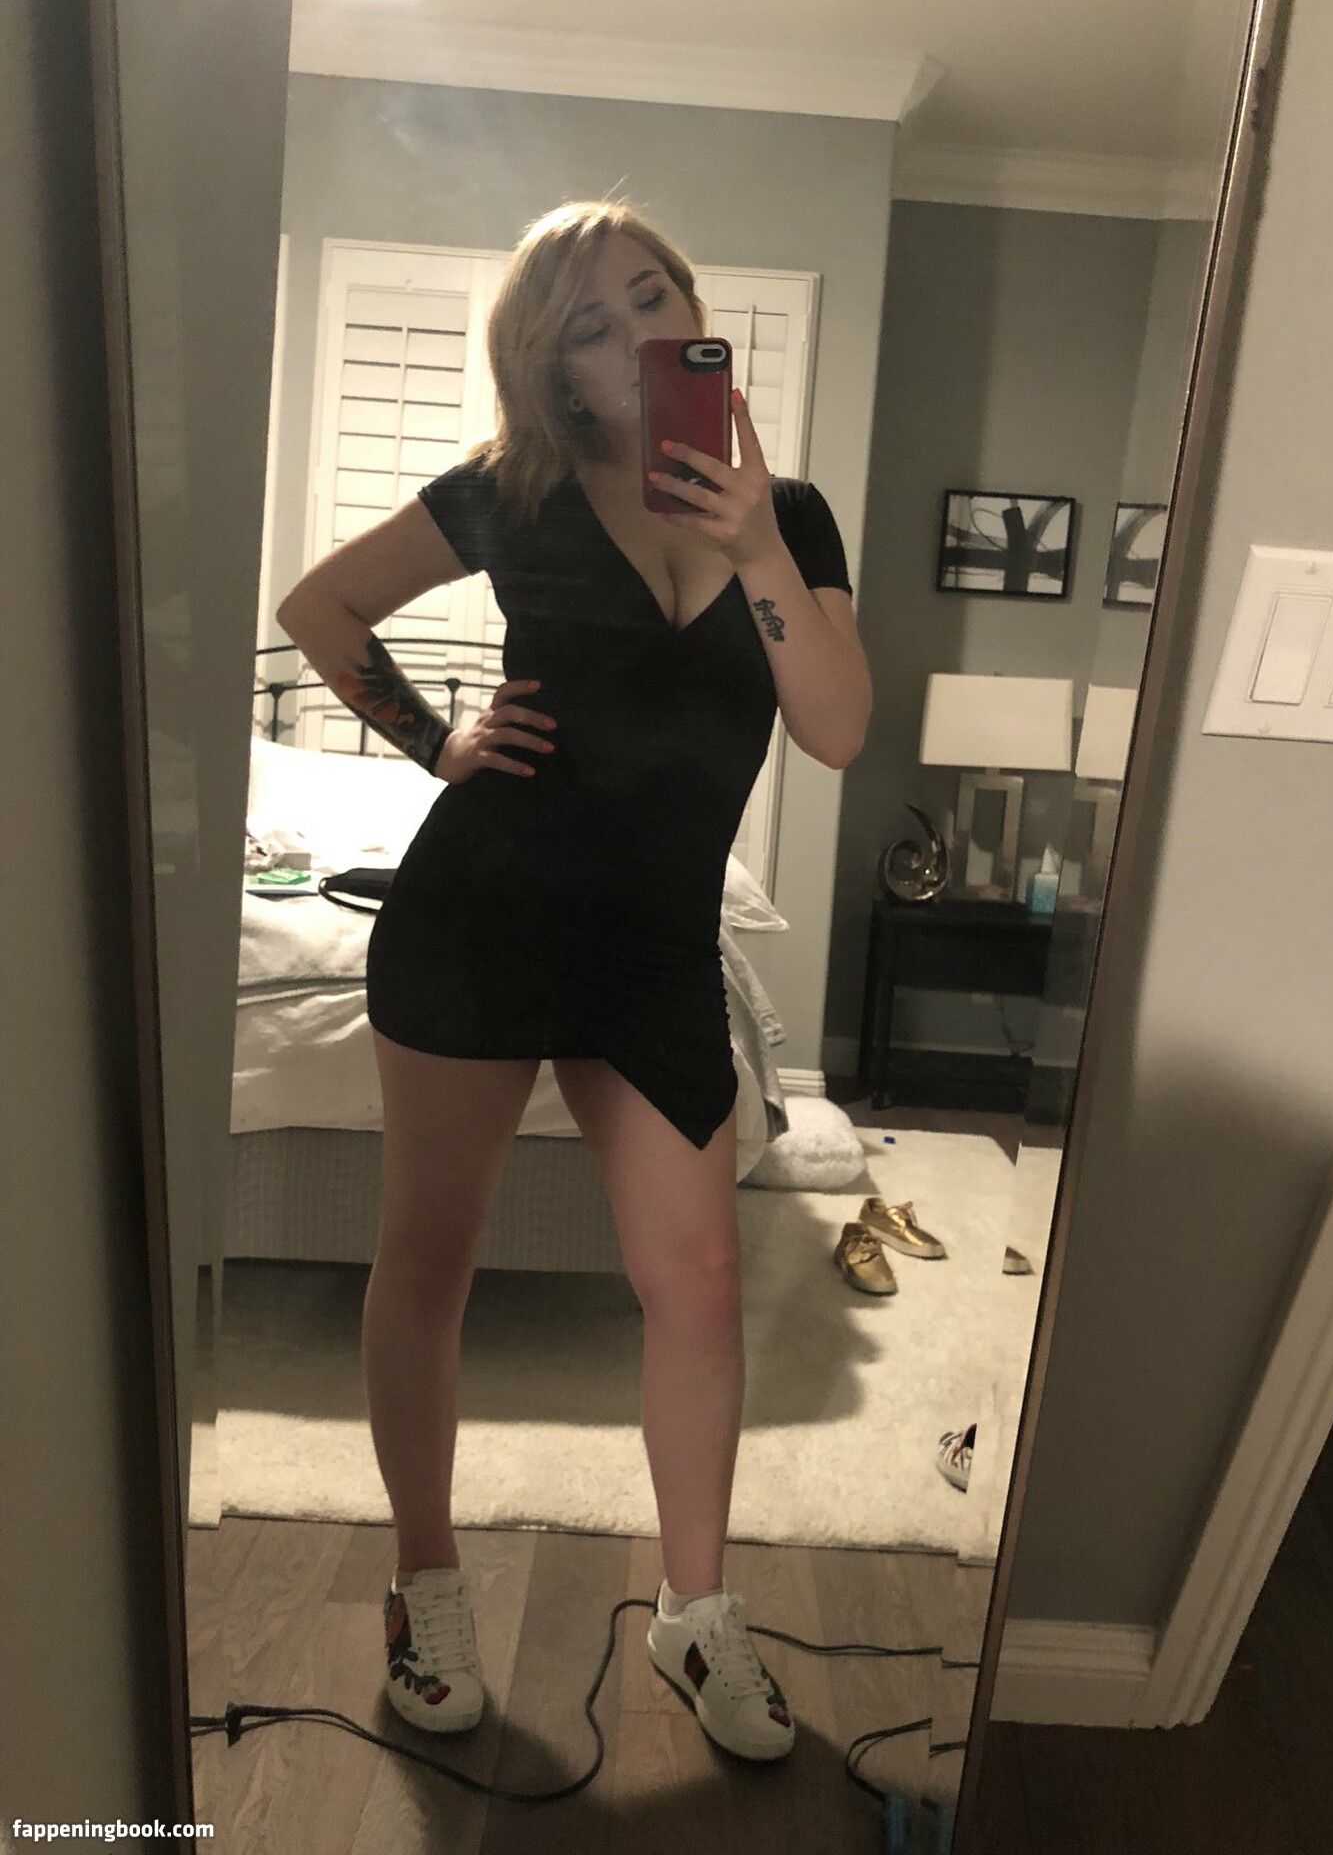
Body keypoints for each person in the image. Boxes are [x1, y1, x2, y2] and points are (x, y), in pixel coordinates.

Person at [276, 199, 872, 1761]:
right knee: (430, 1258)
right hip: (483, 913)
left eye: (654, 296)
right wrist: (435, 742)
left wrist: (754, 548)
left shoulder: (790, 517)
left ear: (697, 318)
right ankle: (425, 1584)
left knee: (703, 1279)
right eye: (592, 322)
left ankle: (697, 1612)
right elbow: (319, 608)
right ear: (550, 364)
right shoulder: (507, 492)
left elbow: (836, 727)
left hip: (657, 941)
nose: (634, 332)